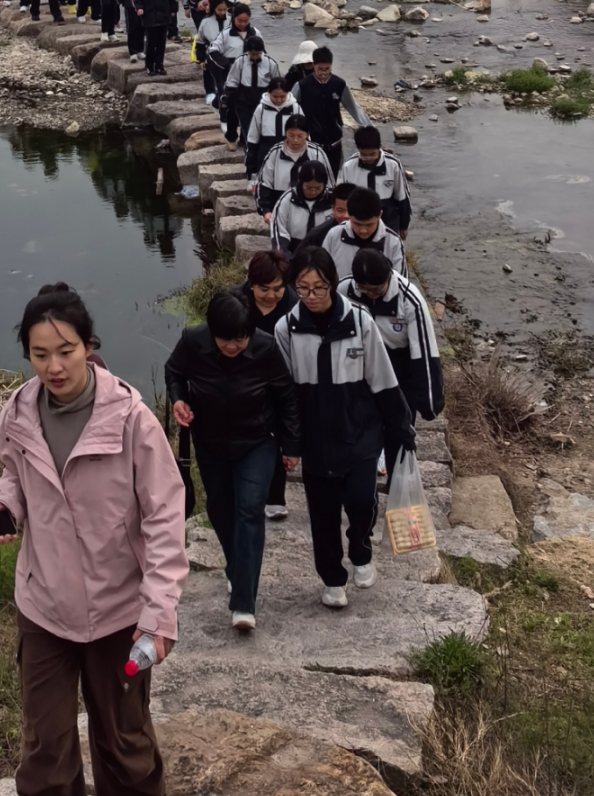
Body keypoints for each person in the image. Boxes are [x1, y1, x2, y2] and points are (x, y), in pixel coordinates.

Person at [0, 283, 187, 796]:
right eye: (40, 354)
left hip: (119, 610)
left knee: (122, 742)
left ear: (88, 345)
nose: (54, 366)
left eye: (65, 351)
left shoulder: (132, 421)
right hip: (43, 606)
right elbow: (16, 478)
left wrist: (159, 612)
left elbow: (166, 518)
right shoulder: (18, 414)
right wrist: (6, 508)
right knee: (45, 750)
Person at [274, 247, 415, 607]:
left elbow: (382, 379)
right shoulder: (286, 329)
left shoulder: (359, 321)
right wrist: (290, 442)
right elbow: (285, 393)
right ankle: (333, 580)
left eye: (318, 287)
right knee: (321, 514)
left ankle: (361, 550)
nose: (311, 296)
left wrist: (401, 427)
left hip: (360, 432)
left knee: (360, 499)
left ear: (333, 284)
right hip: (316, 439)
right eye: (303, 288)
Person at [166, 288, 299, 632]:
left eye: (239, 340)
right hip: (210, 442)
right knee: (220, 510)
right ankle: (236, 567)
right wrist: (179, 399)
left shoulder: (266, 347)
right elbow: (174, 372)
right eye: (225, 340)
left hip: (257, 441)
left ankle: (243, 602)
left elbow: (286, 395)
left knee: (250, 510)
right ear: (211, 332)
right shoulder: (193, 341)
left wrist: (291, 445)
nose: (232, 347)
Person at [342, 249, 443, 485]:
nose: (372, 295)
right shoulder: (344, 290)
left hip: (399, 369)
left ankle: (398, 486)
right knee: (359, 426)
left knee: (399, 429)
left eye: (378, 289)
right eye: (365, 290)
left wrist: (430, 402)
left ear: (389, 275)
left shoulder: (410, 300)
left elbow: (425, 352)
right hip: (359, 365)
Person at [234, 250, 300, 520]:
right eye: (264, 289)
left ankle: (275, 499)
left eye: (278, 289)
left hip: (282, 380)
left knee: (277, 436)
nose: (272, 295)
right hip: (244, 381)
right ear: (251, 284)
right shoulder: (236, 302)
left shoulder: (294, 306)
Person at [295, 47, 371, 174]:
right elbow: (291, 108)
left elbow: (353, 107)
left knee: (333, 174)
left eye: (327, 69)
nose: (324, 73)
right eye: (320, 69)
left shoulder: (339, 84)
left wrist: (368, 127)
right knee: (313, 175)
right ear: (313, 66)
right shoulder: (302, 85)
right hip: (311, 141)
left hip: (334, 140)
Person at [340, 126, 413, 239]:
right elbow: (344, 200)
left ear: (379, 147)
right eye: (364, 154)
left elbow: (402, 197)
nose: (368, 158)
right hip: (360, 220)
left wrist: (404, 226)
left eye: (372, 154)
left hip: (388, 219)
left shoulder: (392, 164)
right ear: (358, 149)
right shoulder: (349, 166)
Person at [254, 116, 334, 216]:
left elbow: (329, 186)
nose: (295, 140)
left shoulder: (317, 153)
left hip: (311, 209)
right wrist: (265, 210)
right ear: (285, 133)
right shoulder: (275, 153)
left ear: (307, 135)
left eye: (300, 136)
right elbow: (264, 183)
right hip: (279, 208)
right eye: (291, 135)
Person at [322, 188, 407, 281]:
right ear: (349, 214)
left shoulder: (393, 242)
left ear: (380, 214)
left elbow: (399, 283)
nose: (363, 230)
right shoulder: (334, 235)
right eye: (357, 224)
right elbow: (322, 274)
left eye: (369, 225)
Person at [221, 37, 281, 149]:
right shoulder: (241, 62)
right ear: (247, 51)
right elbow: (232, 81)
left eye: (257, 54)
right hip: (244, 101)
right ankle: (249, 149)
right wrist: (226, 98)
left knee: (261, 128)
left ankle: (246, 143)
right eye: (252, 54)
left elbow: (277, 84)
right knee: (248, 128)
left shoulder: (270, 64)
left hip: (263, 102)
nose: (254, 57)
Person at [268, 161, 334, 255]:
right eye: (308, 187)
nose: (313, 192)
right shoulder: (287, 200)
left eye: (318, 188)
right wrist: (286, 260)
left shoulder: (332, 201)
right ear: (301, 182)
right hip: (294, 254)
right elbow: (279, 233)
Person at [243, 77, 303, 177]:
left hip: (290, 154)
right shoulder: (261, 109)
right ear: (269, 93)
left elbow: (304, 132)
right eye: (275, 96)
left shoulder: (295, 108)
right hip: (266, 153)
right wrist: (251, 167)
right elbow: (253, 136)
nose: (279, 100)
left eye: (282, 97)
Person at [206, 3, 260, 107]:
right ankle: (218, 106)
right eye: (240, 21)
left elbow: (263, 52)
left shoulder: (256, 33)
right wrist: (227, 65)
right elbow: (212, 51)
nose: (243, 24)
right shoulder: (225, 34)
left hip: (249, 71)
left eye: (246, 21)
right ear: (234, 18)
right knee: (228, 100)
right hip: (228, 73)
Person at [134, 0, 177, 77]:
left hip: (163, 11)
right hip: (149, 12)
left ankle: (160, 65)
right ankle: (149, 66)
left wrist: (173, 9)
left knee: (161, 41)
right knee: (151, 41)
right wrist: (139, 7)